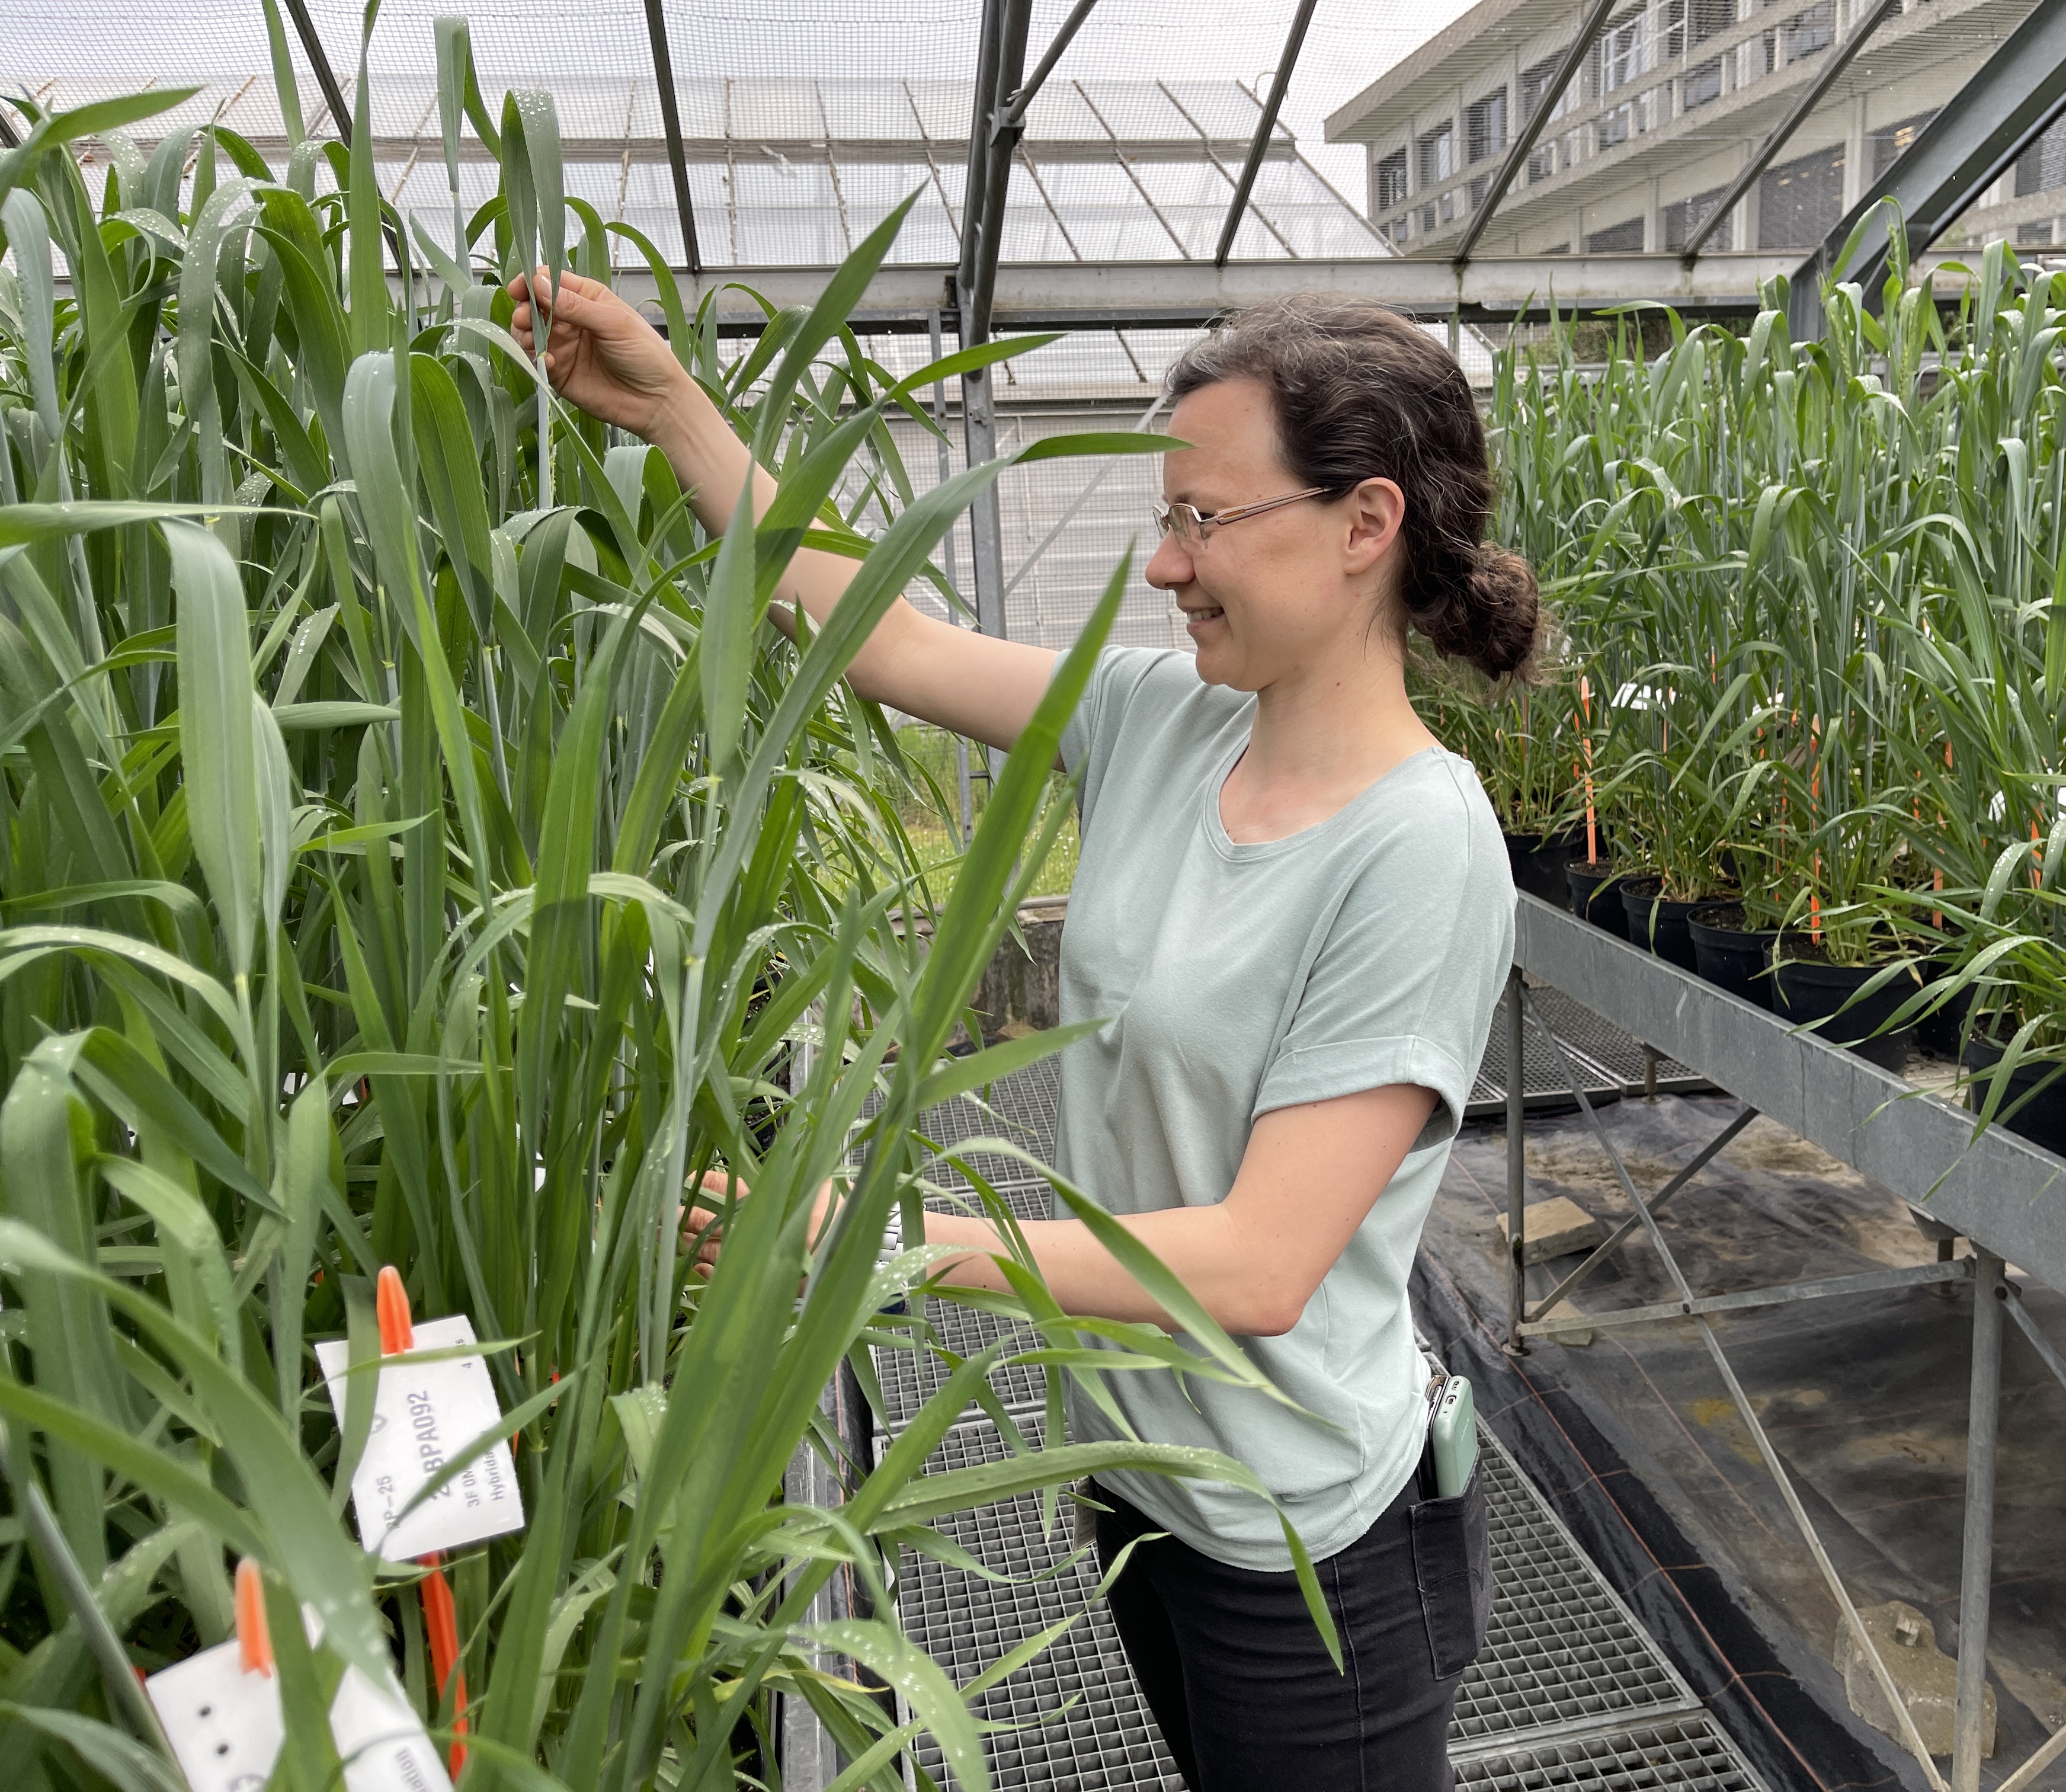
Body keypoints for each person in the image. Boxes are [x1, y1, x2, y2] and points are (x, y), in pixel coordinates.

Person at [512, 272, 1533, 1791]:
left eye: (1204, 520)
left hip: (1297, 1544)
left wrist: (866, 1235)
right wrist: (673, 409)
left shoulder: (1418, 850)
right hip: (1139, 1478)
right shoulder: (1165, 721)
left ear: (1364, 523)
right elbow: (891, 639)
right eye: (1167, 516)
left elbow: (1262, 1264)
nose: (1167, 565)